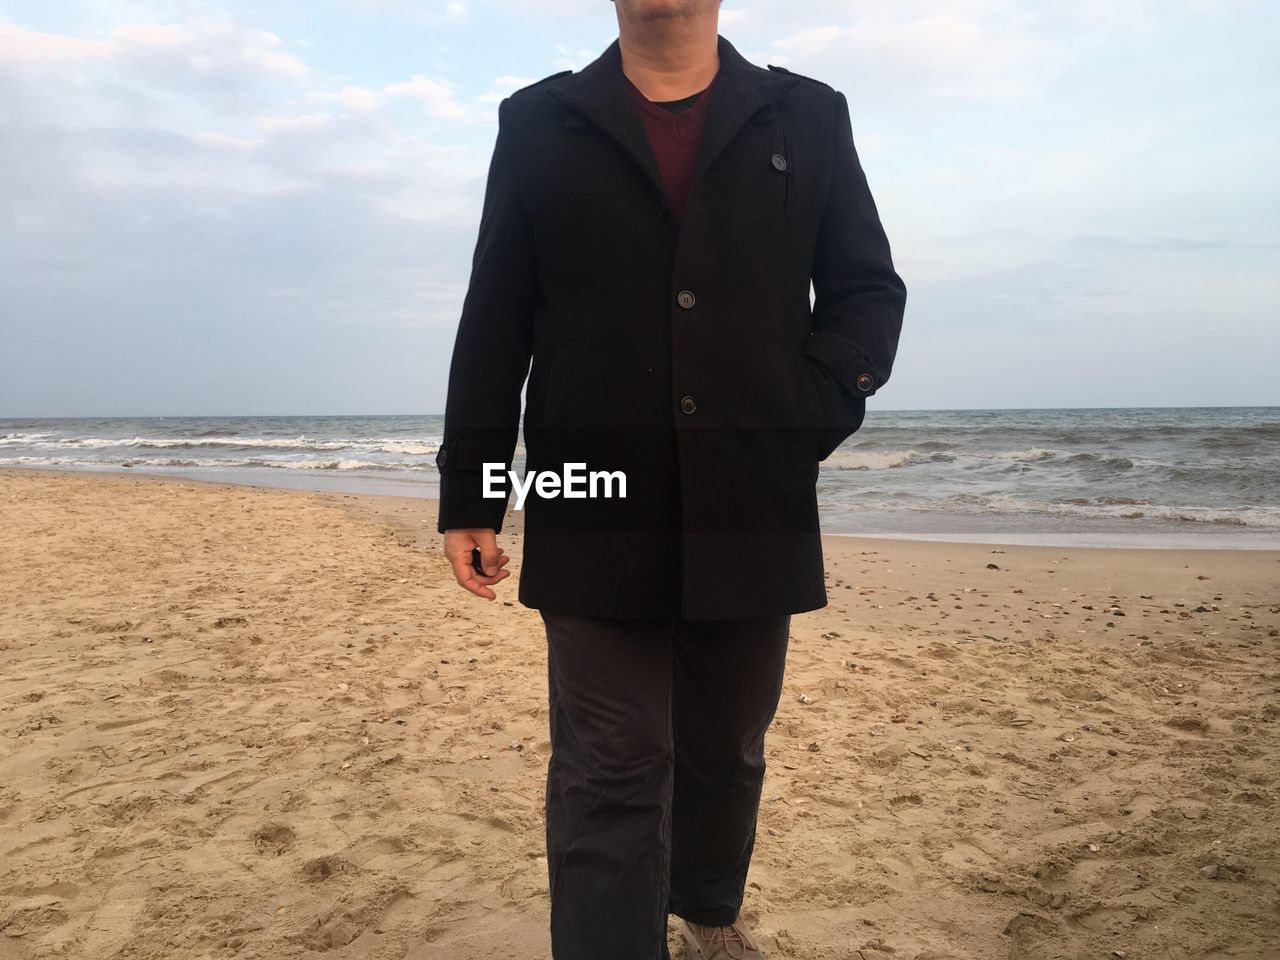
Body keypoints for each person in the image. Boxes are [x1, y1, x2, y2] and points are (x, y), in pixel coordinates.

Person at [436, 1, 906, 957]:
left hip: (752, 495)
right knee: (609, 765)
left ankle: (707, 912)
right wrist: (472, 495)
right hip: (588, 491)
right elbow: (496, 316)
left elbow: (865, 291)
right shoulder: (539, 119)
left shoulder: (807, 114)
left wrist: (808, 412)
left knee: (726, 751)